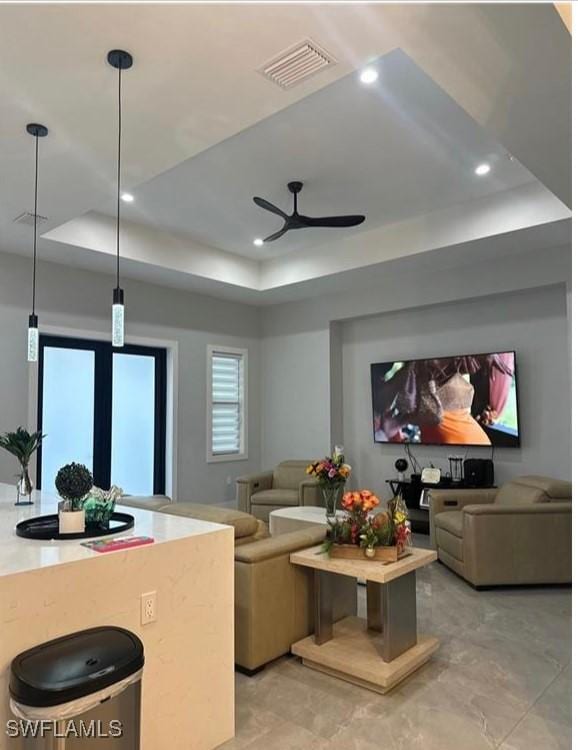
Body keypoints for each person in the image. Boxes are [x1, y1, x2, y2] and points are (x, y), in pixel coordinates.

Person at [373, 354, 514, 445]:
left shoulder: (455, 363)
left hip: (473, 442)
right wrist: (391, 428)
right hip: (443, 447)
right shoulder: (413, 373)